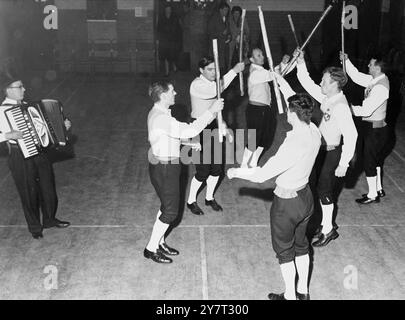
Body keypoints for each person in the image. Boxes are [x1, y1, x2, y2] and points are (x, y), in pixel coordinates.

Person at [228, 93, 321, 300]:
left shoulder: (294, 143)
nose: (286, 113)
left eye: (289, 110)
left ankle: (289, 296)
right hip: (306, 198)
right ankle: (303, 292)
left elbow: (262, 174)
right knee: (302, 245)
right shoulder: (314, 131)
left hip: (287, 204)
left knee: (285, 252)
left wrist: (236, 172)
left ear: (293, 113)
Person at [145, 80, 224, 263]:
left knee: (166, 206)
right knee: (171, 212)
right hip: (166, 169)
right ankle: (151, 248)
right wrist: (212, 111)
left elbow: (163, 138)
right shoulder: (162, 118)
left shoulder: (159, 113)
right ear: (163, 95)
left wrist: (187, 143)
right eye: (172, 91)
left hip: (162, 165)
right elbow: (192, 128)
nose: (175, 93)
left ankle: (159, 241)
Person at [294, 50, 358, 247]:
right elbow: (309, 85)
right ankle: (325, 224)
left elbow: (352, 135)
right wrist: (301, 63)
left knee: (324, 190)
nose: (321, 83)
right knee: (319, 189)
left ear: (335, 84)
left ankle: (329, 230)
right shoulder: (329, 98)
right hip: (322, 151)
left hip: (333, 152)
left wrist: (344, 164)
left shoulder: (340, 106)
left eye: (324, 81)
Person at [0, 75, 71, 239]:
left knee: (48, 188)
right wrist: (7, 135)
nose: (24, 89)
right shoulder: (2, 111)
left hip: (39, 152)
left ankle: (49, 219)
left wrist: (63, 125)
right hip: (19, 155)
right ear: (8, 90)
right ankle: (35, 228)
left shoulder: (28, 106)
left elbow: (47, 126)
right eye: (20, 87)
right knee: (28, 192)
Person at [186, 57, 245, 215]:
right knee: (203, 171)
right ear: (201, 70)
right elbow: (215, 92)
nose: (213, 72)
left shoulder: (214, 84)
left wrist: (223, 125)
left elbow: (216, 109)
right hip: (199, 129)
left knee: (217, 169)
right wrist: (234, 71)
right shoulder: (197, 85)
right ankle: (191, 201)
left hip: (214, 126)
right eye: (209, 69)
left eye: (214, 69)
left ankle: (209, 198)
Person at [341, 52, 390, 204]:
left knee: (369, 161)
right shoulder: (374, 79)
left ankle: (372, 195)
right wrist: (346, 61)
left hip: (375, 130)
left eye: (370, 64)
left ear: (377, 67)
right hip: (373, 128)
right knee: (375, 160)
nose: (368, 65)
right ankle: (379, 189)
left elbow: (366, 110)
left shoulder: (381, 87)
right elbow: (356, 76)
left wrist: (347, 108)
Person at [240, 48, 277, 168]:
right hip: (255, 111)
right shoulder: (255, 73)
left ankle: (253, 163)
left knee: (265, 138)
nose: (262, 57)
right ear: (251, 59)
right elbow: (274, 74)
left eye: (262, 54)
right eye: (258, 55)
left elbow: (273, 72)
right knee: (253, 140)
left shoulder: (261, 71)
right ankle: (243, 165)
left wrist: (286, 63)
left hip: (265, 110)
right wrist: (284, 65)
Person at [157, 5, 182, 77]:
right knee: (165, 56)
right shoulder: (161, 18)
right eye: (167, 9)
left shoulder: (175, 18)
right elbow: (158, 29)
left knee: (172, 55)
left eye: (169, 9)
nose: (168, 11)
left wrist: (177, 39)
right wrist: (158, 39)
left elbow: (178, 29)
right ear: (165, 10)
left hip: (173, 40)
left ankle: (174, 67)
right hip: (164, 40)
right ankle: (167, 72)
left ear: (171, 10)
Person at [207, 2, 231, 73]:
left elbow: (228, 30)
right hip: (216, 45)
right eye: (225, 10)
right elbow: (209, 31)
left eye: (227, 10)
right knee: (217, 64)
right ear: (220, 10)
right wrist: (221, 33)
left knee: (224, 64)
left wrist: (229, 36)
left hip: (224, 45)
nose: (226, 12)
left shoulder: (226, 19)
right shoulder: (214, 18)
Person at [228, 5, 250, 70]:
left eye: (238, 13)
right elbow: (228, 31)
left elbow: (247, 31)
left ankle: (242, 72)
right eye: (235, 13)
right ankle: (229, 71)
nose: (236, 15)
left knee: (242, 57)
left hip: (241, 43)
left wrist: (243, 36)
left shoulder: (243, 20)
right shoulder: (229, 21)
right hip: (231, 43)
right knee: (230, 58)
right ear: (232, 13)